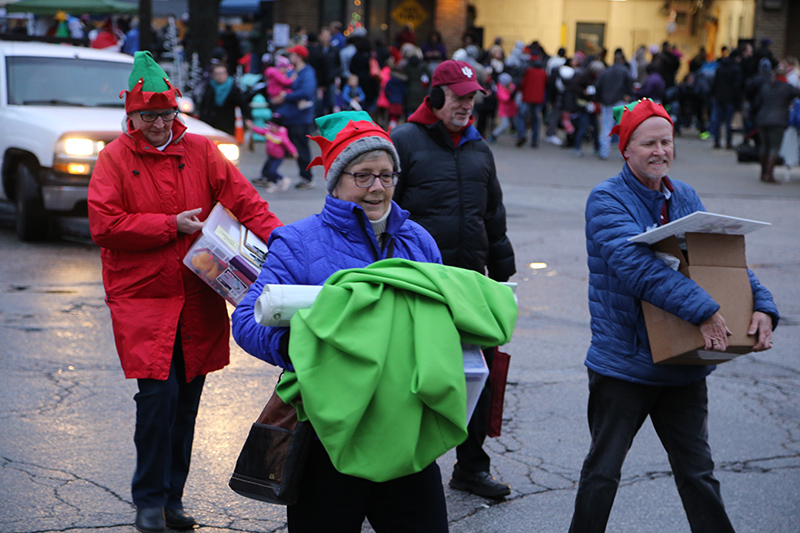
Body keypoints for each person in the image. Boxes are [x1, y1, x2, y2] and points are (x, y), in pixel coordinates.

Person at [87, 51, 282, 533]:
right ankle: (148, 501)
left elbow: (246, 202)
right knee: (158, 399)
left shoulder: (201, 152)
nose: (158, 124)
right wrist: (168, 225)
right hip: (143, 298)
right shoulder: (114, 158)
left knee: (188, 400)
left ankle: (172, 500)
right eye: (148, 115)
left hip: (197, 295)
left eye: (167, 114)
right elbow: (104, 225)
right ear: (130, 116)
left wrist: (286, 243)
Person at [231, 111, 451, 532]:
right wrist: (300, 350)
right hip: (326, 436)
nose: (377, 188)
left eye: (387, 176)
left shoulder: (418, 240)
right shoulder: (297, 242)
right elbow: (247, 320)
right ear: (336, 180)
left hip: (403, 430)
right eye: (363, 176)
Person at [569, 98, 779, 533]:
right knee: (603, 474)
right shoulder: (607, 200)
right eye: (649, 144)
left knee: (698, 473)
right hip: (624, 364)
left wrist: (762, 305)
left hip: (683, 362)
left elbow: (721, 262)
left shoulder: (684, 196)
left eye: (666, 142)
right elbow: (638, 268)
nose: (660, 151)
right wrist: (705, 311)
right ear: (626, 149)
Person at [391, 59, 516, 498]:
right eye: (459, 96)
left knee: (477, 373)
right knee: (413, 376)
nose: (466, 105)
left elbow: (492, 215)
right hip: (420, 285)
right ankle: (398, 468)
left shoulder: (481, 148)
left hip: (471, 283)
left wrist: (502, 275)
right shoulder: (403, 141)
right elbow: (387, 212)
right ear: (437, 97)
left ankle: (471, 466)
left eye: (471, 97)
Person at [272, 44, 317, 189]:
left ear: (299, 57)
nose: (290, 57)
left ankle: (307, 178)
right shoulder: (293, 72)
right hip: (289, 115)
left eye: (292, 55)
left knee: (301, 148)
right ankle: (269, 174)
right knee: (280, 144)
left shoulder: (307, 73)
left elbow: (306, 92)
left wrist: (286, 95)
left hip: (301, 117)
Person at [753, 65, 800, 183]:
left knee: (764, 147)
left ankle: (763, 173)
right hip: (777, 121)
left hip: (763, 119)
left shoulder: (766, 86)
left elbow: (757, 102)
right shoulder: (787, 87)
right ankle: (769, 175)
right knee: (774, 148)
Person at [596, 49, 633, 160]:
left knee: (606, 127)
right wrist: (628, 94)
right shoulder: (625, 71)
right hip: (621, 101)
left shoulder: (605, 72)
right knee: (623, 128)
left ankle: (604, 152)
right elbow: (630, 83)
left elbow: (598, 86)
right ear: (622, 60)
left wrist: (600, 98)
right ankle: (624, 153)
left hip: (607, 102)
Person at [197, 63, 252, 136]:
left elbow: (242, 104)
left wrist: (248, 118)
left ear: (226, 74)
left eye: (221, 73)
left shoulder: (233, 88)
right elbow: (203, 104)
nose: (219, 76)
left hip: (227, 123)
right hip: (211, 122)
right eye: (217, 74)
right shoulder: (210, 87)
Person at [252, 114, 297, 192]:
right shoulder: (268, 132)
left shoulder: (281, 135)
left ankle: (278, 181)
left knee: (272, 170)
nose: (271, 128)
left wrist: (294, 152)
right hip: (270, 155)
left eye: (273, 126)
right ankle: (269, 181)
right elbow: (261, 131)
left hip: (278, 156)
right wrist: (252, 127)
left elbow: (288, 144)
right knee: (266, 170)